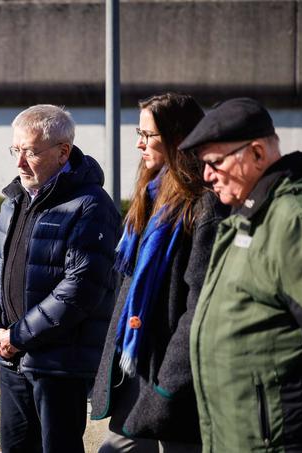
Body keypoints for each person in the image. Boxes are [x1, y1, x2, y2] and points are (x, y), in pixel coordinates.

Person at [177, 97, 302, 452]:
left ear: (257, 153)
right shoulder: (247, 216)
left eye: (214, 162)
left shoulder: (295, 220)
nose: (206, 176)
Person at [0, 104, 121, 453]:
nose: (19, 162)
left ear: (63, 152)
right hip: (10, 358)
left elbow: (80, 288)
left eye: (30, 152)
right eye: (16, 150)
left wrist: (20, 335)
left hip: (59, 365)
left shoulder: (91, 205)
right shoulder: (13, 201)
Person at [89, 93, 228, 452]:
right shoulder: (151, 193)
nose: (139, 143)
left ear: (178, 138)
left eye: (148, 134)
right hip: (138, 363)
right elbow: (129, 285)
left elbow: (200, 304)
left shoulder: (204, 203)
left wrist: (170, 380)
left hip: (174, 375)